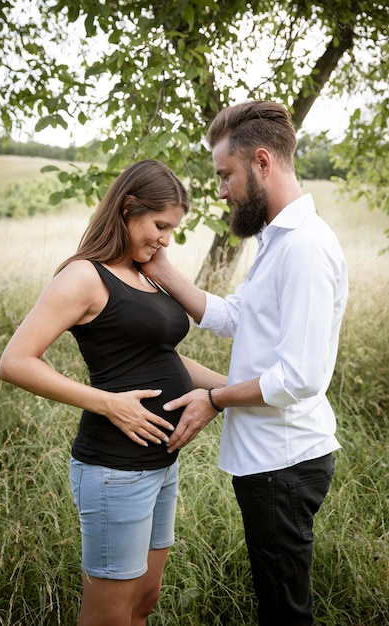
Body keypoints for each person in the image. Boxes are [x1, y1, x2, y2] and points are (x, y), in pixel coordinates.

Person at [141, 101, 349, 626]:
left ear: (261, 163)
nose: (220, 190)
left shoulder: (303, 248)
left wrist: (214, 398)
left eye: (225, 175)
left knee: (284, 612)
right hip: (269, 460)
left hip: (284, 464)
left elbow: (300, 377)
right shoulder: (276, 239)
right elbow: (240, 318)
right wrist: (164, 270)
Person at [0, 159, 227, 626]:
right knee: (108, 615)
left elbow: (159, 356)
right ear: (128, 208)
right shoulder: (85, 276)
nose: (165, 239)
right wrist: (109, 403)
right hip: (114, 469)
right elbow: (15, 362)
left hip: (162, 464)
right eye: (160, 225)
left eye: (173, 230)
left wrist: (235, 389)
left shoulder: (146, 275)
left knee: (144, 600)